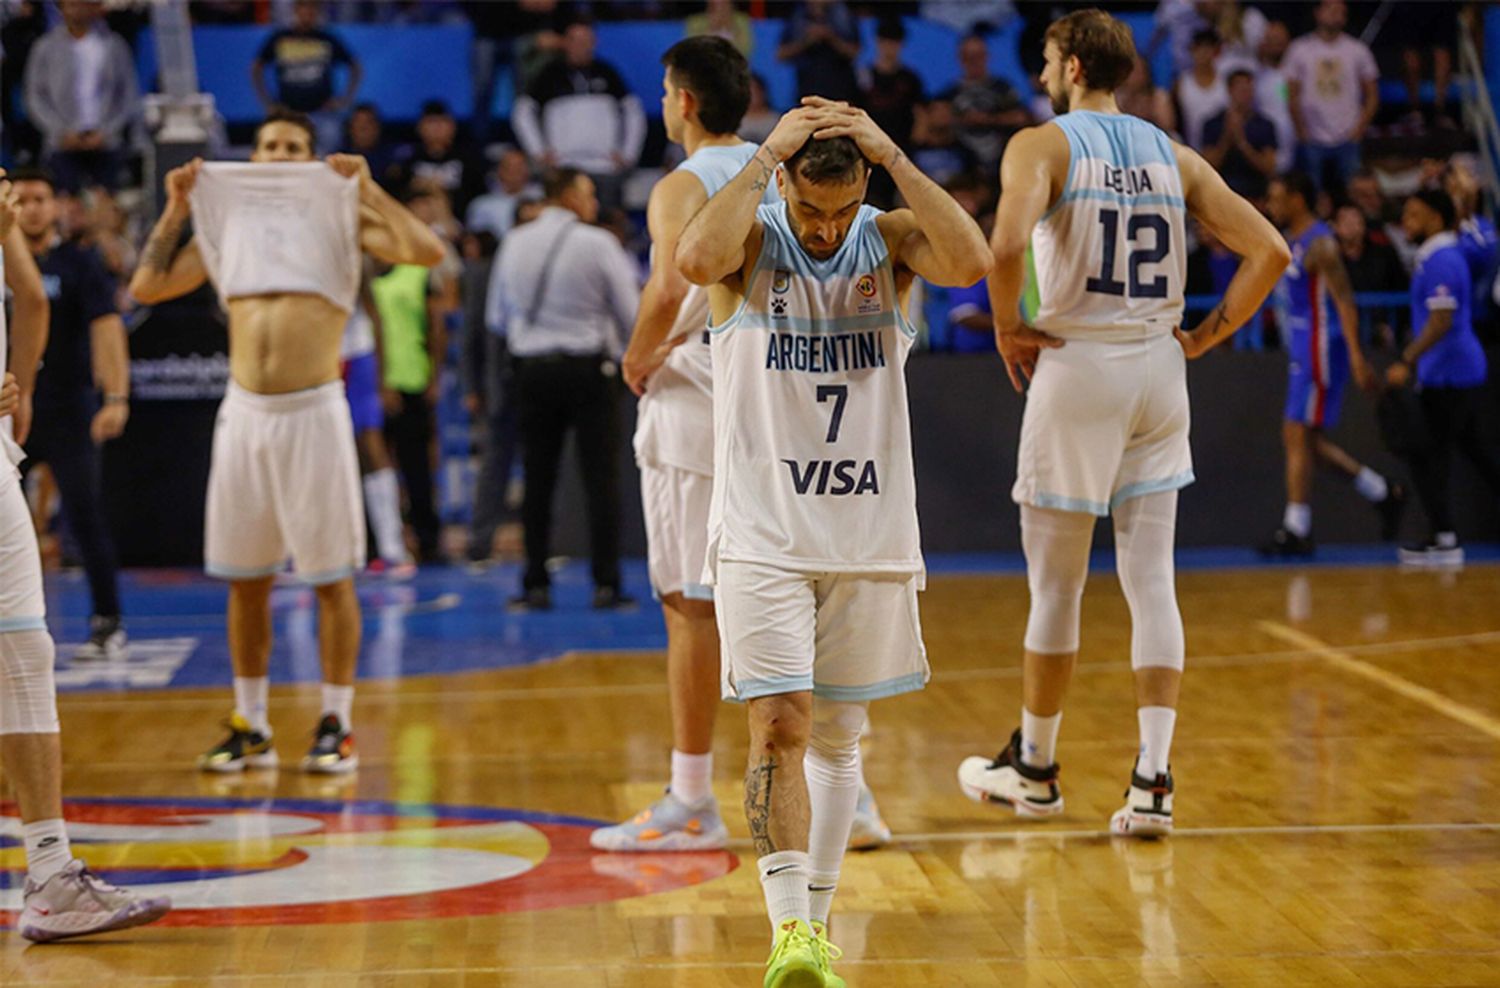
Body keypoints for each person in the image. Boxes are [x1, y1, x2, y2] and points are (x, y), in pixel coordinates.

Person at [676, 96, 989, 984]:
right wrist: (763, 155)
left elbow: (972, 259)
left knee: (841, 739)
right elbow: (693, 255)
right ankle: (788, 936)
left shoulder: (886, 239)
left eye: (839, 211)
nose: (824, 230)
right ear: (784, 184)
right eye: (811, 210)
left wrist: (893, 154)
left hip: (866, 529)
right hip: (764, 533)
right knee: (778, 726)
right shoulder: (751, 242)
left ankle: (819, 926)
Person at [957, 9, 1289, 838]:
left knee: (1058, 587)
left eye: (1044, 60)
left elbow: (1001, 250)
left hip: (1080, 364)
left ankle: (1034, 768)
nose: (1039, 75)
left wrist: (1005, 325)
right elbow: (1271, 252)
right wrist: (1206, 336)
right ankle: (1152, 783)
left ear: (1072, 66)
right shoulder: (1172, 152)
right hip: (1158, 369)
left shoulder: (1042, 144)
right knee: (1151, 581)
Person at [592, 36, 890, 859]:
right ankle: (849, 793)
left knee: (692, 606)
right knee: (808, 600)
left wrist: (637, 353)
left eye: (663, 92)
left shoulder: (686, 185)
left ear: (683, 101)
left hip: (701, 403)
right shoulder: (786, 174)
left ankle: (692, 797)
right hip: (790, 410)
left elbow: (669, 286)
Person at [128, 110, 445, 774]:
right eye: (269, 144)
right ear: (255, 152)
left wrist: (368, 188)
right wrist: (175, 207)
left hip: (313, 411)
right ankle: (252, 723)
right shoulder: (227, 220)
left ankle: (338, 721)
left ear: (311, 157)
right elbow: (147, 285)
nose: (278, 154)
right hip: (244, 412)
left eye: (293, 146)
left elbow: (427, 251)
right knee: (246, 579)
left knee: (331, 577)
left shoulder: (340, 213)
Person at [0, 168, 172, 942]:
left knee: (26, 652)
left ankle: (48, 872)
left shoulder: (30, 247)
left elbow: (30, 305)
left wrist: (24, 383)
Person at [487, 167, 638, 612]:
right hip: (589, 370)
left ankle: (535, 583)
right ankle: (606, 584)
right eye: (589, 194)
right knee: (601, 480)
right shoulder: (599, 244)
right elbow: (630, 313)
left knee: (537, 479)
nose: (593, 204)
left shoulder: (514, 241)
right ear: (571, 196)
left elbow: (498, 317)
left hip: (532, 371)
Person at [11, 167, 132, 660]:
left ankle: (108, 622)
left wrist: (116, 397)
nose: (32, 207)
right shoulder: (3, 261)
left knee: (84, 516)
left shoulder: (78, 264)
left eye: (41, 198)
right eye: (21, 199)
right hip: (12, 408)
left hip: (68, 408)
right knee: (7, 525)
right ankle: (11, 629)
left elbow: (107, 329)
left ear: (57, 206)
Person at [1258, 172, 1404, 557]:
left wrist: (1356, 356)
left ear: (1297, 199)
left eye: (1277, 197)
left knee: (1296, 434)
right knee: (1308, 442)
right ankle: (1382, 492)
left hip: (1321, 348)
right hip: (1304, 347)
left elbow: (1345, 300)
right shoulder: (1294, 240)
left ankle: (1297, 528)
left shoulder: (1321, 243)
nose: (1271, 205)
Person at [1387, 189, 1500, 566]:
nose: (1406, 222)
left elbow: (1441, 320)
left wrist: (1407, 358)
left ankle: (1445, 540)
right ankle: (1443, 536)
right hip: (1449, 372)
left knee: (1428, 455)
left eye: (1415, 214)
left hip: (1452, 373)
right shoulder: (1437, 256)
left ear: (1436, 217)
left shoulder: (1442, 261)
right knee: (1475, 452)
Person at [372, 184, 458, 565]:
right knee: (372, 467)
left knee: (417, 467)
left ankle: (428, 540)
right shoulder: (366, 268)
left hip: (412, 379)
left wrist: (435, 375)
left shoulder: (419, 270)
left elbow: (436, 326)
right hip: (368, 381)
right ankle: (378, 543)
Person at [512, 17, 646, 210]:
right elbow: (523, 112)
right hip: (564, 167)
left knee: (607, 224)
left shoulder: (608, 73)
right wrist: (538, 152)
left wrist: (628, 153)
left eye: (586, 40)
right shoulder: (549, 74)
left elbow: (633, 112)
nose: (580, 46)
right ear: (565, 42)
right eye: (575, 40)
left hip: (605, 167)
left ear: (594, 42)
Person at [21, 0, 139, 193]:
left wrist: (108, 131)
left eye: (85, 4)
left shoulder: (113, 46)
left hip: (105, 142)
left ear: (96, 8)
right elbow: (35, 96)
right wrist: (59, 132)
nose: (79, 10)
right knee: (65, 204)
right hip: (61, 144)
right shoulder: (45, 47)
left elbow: (127, 95)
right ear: (62, 9)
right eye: (73, 4)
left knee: (106, 205)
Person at [342, 271, 414, 577]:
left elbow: (375, 317)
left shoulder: (353, 257)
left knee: (371, 445)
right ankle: (307, 552)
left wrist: (384, 378)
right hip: (311, 358)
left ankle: (393, 549)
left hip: (356, 354)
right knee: (311, 452)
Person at [1284, 0, 1378, 196]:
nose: (1336, 14)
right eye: (1331, 9)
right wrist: (1302, 132)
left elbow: (1372, 96)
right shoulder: (1299, 49)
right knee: (1311, 195)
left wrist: (1358, 131)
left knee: (1354, 195)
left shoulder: (1357, 50)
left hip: (1348, 137)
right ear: (1318, 13)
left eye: (1341, 11)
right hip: (1311, 137)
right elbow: (1289, 94)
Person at [251, 0, 362, 157]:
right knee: (281, 155)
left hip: (322, 113)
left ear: (317, 13)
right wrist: (267, 102)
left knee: (329, 157)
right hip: (287, 113)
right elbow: (256, 68)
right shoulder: (280, 38)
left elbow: (355, 67)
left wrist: (345, 99)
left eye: (311, 10)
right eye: (303, 9)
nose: (307, 14)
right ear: (295, 11)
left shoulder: (327, 39)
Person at [938, 32, 1030, 175]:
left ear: (987, 56)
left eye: (978, 56)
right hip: (962, 165)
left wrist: (989, 119)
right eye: (968, 57)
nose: (974, 61)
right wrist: (965, 120)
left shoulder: (1003, 88)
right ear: (960, 59)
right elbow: (937, 121)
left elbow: (1021, 117)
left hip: (1002, 162)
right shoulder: (948, 93)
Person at [389, 100, 486, 216]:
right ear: (420, 127)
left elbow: (478, 196)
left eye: (442, 122)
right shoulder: (407, 160)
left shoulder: (469, 159)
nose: (437, 128)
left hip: (456, 224)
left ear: (452, 126)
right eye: (431, 122)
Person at [1201, 69, 1277, 202]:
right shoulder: (1213, 123)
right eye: (1241, 90)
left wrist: (1243, 143)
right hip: (1223, 191)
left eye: (1249, 90)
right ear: (1230, 91)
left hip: (1255, 192)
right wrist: (1226, 139)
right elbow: (1208, 166)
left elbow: (1269, 167)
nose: (1246, 95)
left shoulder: (1265, 125)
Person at [776, 0, 861, 104]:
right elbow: (781, 54)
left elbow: (855, 53)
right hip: (808, 91)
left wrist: (830, 37)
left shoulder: (843, 17)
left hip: (841, 92)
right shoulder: (797, 18)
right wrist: (807, 41)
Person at [465, 148, 541, 240]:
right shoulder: (481, 205)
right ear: (499, 171)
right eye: (509, 167)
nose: (515, 172)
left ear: (527, 171)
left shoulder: (541, 200)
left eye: (519, 167)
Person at [1175, 29, 1226, 151]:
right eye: (1198, 48)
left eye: (1207, 48)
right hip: (1192, 149)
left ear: (1216, 52)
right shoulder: (1181, 84)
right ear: (1191, 51)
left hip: (1221, 148)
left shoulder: (1225, 82)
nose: (1203, 53)